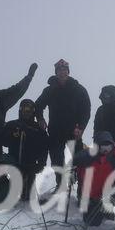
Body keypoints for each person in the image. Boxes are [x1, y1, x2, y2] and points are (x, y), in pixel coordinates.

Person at [35, 59, 91, 188]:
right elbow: (38, 106)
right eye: (59, 70)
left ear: (68, 71)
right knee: (56, 160)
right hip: (55, 131)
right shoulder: (49, 90)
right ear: (56, 72)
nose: (62, 72)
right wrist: (40, 119)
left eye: (64, 69)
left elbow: (86, 110)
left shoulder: (78, 89)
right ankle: (60, 185)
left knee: (79, 161)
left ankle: (81, 190)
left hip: (74, 132)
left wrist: (81, 127)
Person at [73, 131, 115, 230]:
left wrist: (113, 195)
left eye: (108, 147)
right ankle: (103, 211)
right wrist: (70, 172)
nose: (106, 150)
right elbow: (73, 161)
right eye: (102, 147)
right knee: (92, 222)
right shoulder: (88, 155)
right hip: (93, 196)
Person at [2, 99, 48, 201]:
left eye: (29, 109)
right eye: (24, 109)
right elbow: (3, 142)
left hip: (31, 165)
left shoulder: (38, 128)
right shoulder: (12, 125)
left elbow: (44, 147)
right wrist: (11, 135)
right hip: (13, 164)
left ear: (33, 111)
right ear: (20, 110)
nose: (27, 112)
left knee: (27, 196)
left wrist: (41, 163)